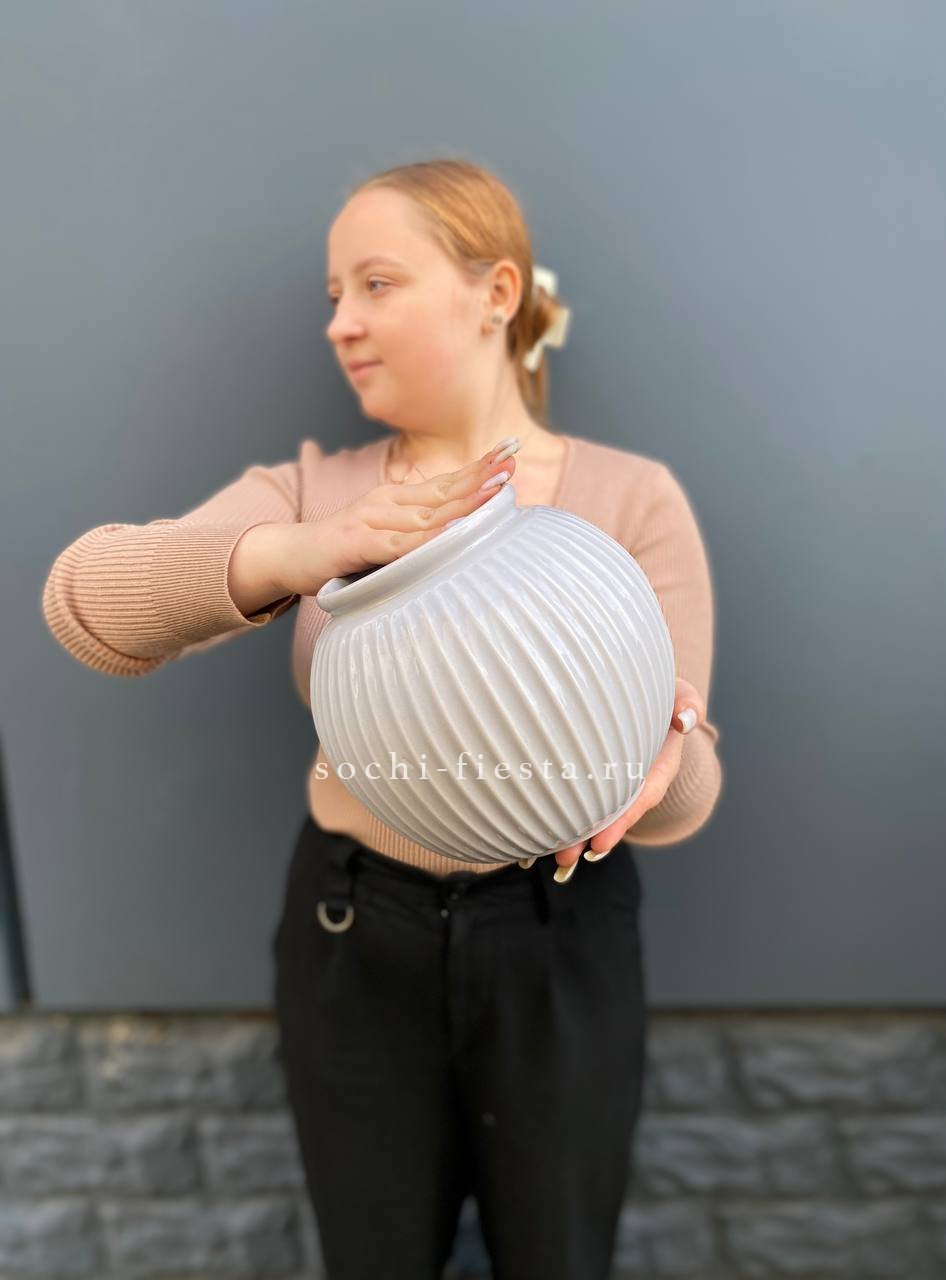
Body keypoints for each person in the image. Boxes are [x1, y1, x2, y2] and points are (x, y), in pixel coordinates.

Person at [41, 157, 723, 1279]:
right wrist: (310, 551)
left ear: (496, 292)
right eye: (332, 296)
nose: (340, 323)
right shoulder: (317, 490)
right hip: (356, 930)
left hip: (561, 934)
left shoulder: (628, 499)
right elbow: (84, 603)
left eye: (376, 284)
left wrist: (667, 750)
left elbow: (684, 796)